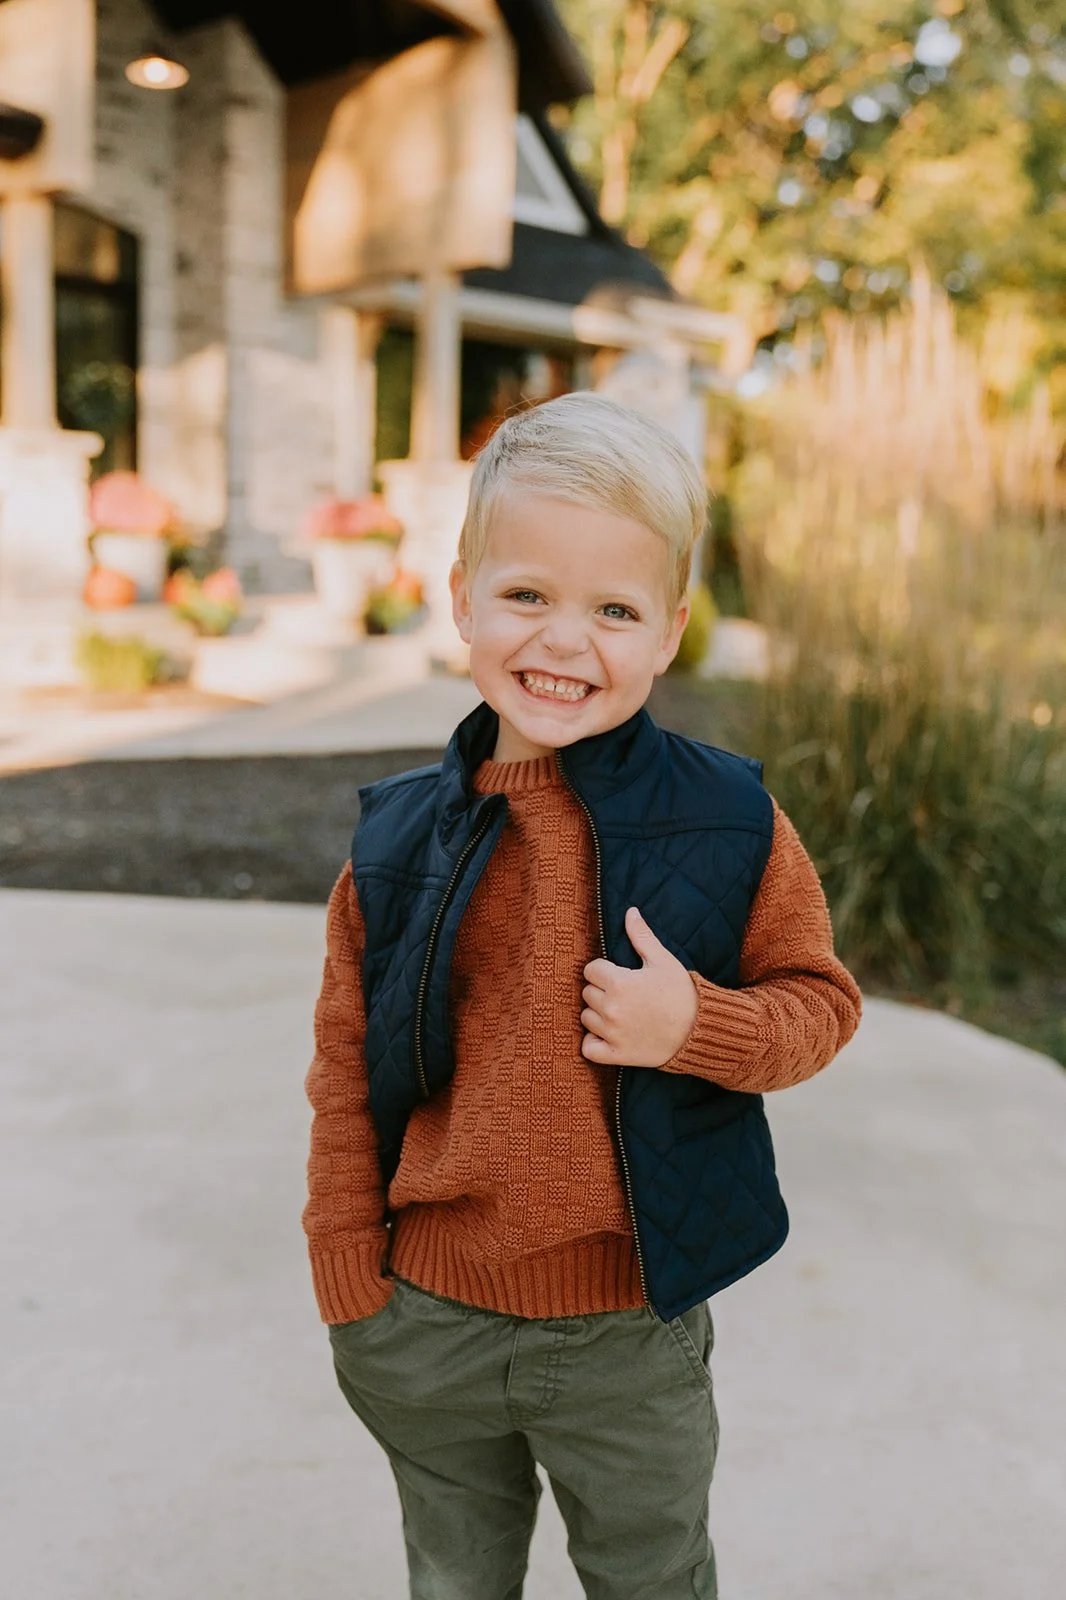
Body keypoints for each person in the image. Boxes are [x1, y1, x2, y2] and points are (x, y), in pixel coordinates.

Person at [303, 392, 862, 1600]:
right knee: (455, 1580)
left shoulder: (728, 821)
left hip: (627, 1330)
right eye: (526, 594)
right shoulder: (393, 840)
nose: (565, 641)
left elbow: (819, 1004)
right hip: (428, 1317)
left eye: (613, 609)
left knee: (652, 1576)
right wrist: (348, 1274)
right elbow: (345, 1063)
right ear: (462, 596)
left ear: (669, 632)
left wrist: (696, 1026)